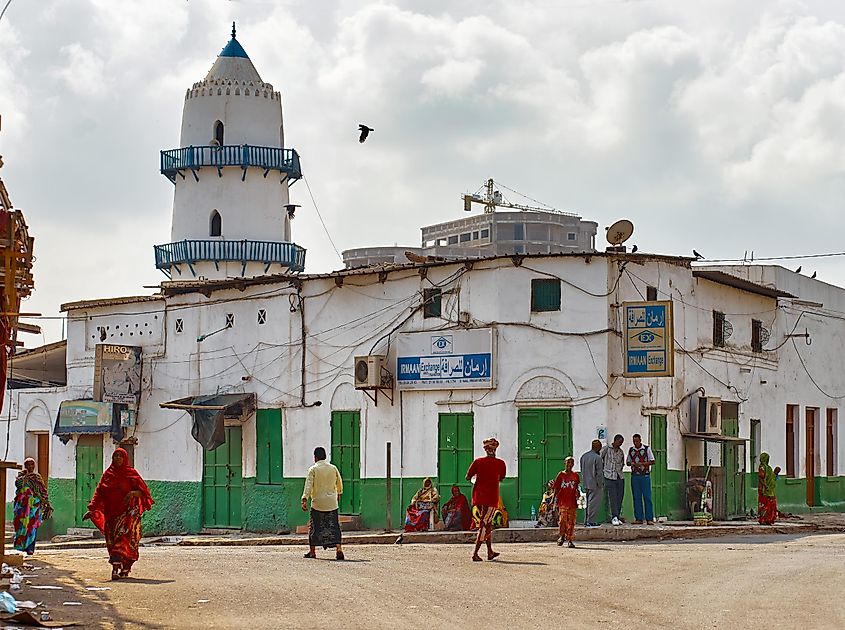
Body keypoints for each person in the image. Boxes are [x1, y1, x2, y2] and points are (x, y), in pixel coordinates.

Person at [83, 448, 154, 579]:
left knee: (123, 540)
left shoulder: (131, 474)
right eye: (116, 456)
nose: (118, 459)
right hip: (111, 514)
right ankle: (119, 567)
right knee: (112, 541)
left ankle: (118, 569)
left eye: (121, 456)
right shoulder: (107, 475)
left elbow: (144, 492)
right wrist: (92, 509)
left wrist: (132, 493)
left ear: (125, 458)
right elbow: (99, 493)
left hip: (128, 514)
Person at [465, 437, 506, 562]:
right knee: (484, 524)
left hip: (479, 497)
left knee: (487, 523)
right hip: (491, 497)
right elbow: (501, 478)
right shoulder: (500, 464)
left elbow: (468, 477)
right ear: (495, 449)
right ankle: (475, 553)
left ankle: (489, 551)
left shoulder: (478, 462)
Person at [301, 446, 345, 560]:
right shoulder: (333, 468)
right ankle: (338, 549)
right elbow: (339, 484)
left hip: (317, 504)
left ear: (315, 457)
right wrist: (338, 495)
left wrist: (304, 499)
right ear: (325, 456)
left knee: (315, 528)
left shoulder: (313, 469)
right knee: (334, 527)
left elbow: (308, 486)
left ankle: (312, 551)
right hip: (332, 503)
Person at [13, 457, 53, 555]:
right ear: (25, 466)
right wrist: (25, 478)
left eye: (32, 464)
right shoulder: (21, 477)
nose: (31, 466)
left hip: (34, 508)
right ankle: (20, 547)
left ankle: (30, 549)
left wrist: (46, 503)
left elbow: (42, 491)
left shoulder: (37, 477)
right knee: (21, 527)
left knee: (32, 527)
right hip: (22, 508)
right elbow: (18, 487)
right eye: (28, 464)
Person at [627, 433, 655, 525]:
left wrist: (642, 464)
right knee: (636, 497)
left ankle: (649, 518)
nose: (635, 443)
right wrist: (632, 464)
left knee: (647, 497)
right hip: (635, 476)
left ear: (640, 440)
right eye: (634, 441)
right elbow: (628, 462)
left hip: (645, 476)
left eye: (637, 441)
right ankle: (638, 518)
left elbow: (652, 461)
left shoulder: (647, 449)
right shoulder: (631, 450)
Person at [553, 456, 580, 548]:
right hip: (562, 502)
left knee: (571, 522)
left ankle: (570, 539)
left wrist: (578, 494)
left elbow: (577, 488)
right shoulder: (561, 475)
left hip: (572, 502)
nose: (570, 465)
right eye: (568, 462)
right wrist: (553, 500)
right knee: (562, 521)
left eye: (572, 463)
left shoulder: (575, 476)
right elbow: (556, 489)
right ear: (565, 463)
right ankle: (561, 536)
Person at [601, 434, 625, 525]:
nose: (620, 444)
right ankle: (614, 516)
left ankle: (617, 516)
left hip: (619, 476)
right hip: (609, 476)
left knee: (620, 497)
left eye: (621, 443)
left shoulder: (621, 452)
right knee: (613, 497)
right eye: (619, 442)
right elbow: (600, 459)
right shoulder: (606, 449)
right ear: (615, 441)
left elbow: (622, 463)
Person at [580, 439, 604, 527]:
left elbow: (582, 470)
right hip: (595, 484)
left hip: (586, 483)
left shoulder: (584, 456)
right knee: (593, 504)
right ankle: (591, 521)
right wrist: (600, 484)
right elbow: (599, 473)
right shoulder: (597, 458)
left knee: (587, 503)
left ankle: (586, 521)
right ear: (598, 447)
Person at [757, 452, 780, 525]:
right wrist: (765, 485)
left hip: (770, 490)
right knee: (765, 504)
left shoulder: (769, 468)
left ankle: (769, 519)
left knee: (771, 504)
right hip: (763, 489)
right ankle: (763, 519)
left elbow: (772, 477)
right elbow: (760, 478)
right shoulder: (762, 468)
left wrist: (776, 472)